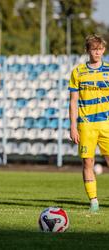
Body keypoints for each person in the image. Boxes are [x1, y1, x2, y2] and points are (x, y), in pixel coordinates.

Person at [69, 34, 109, 212]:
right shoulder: (78, 72)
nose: (97, 52)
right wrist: (72, 126)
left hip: (106, 123)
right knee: (88, 162)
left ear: (104, 50)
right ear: (87, 50)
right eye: (94, 49)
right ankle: (93, 201)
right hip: (86, 125)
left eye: (100, 49)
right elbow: (73, 101)